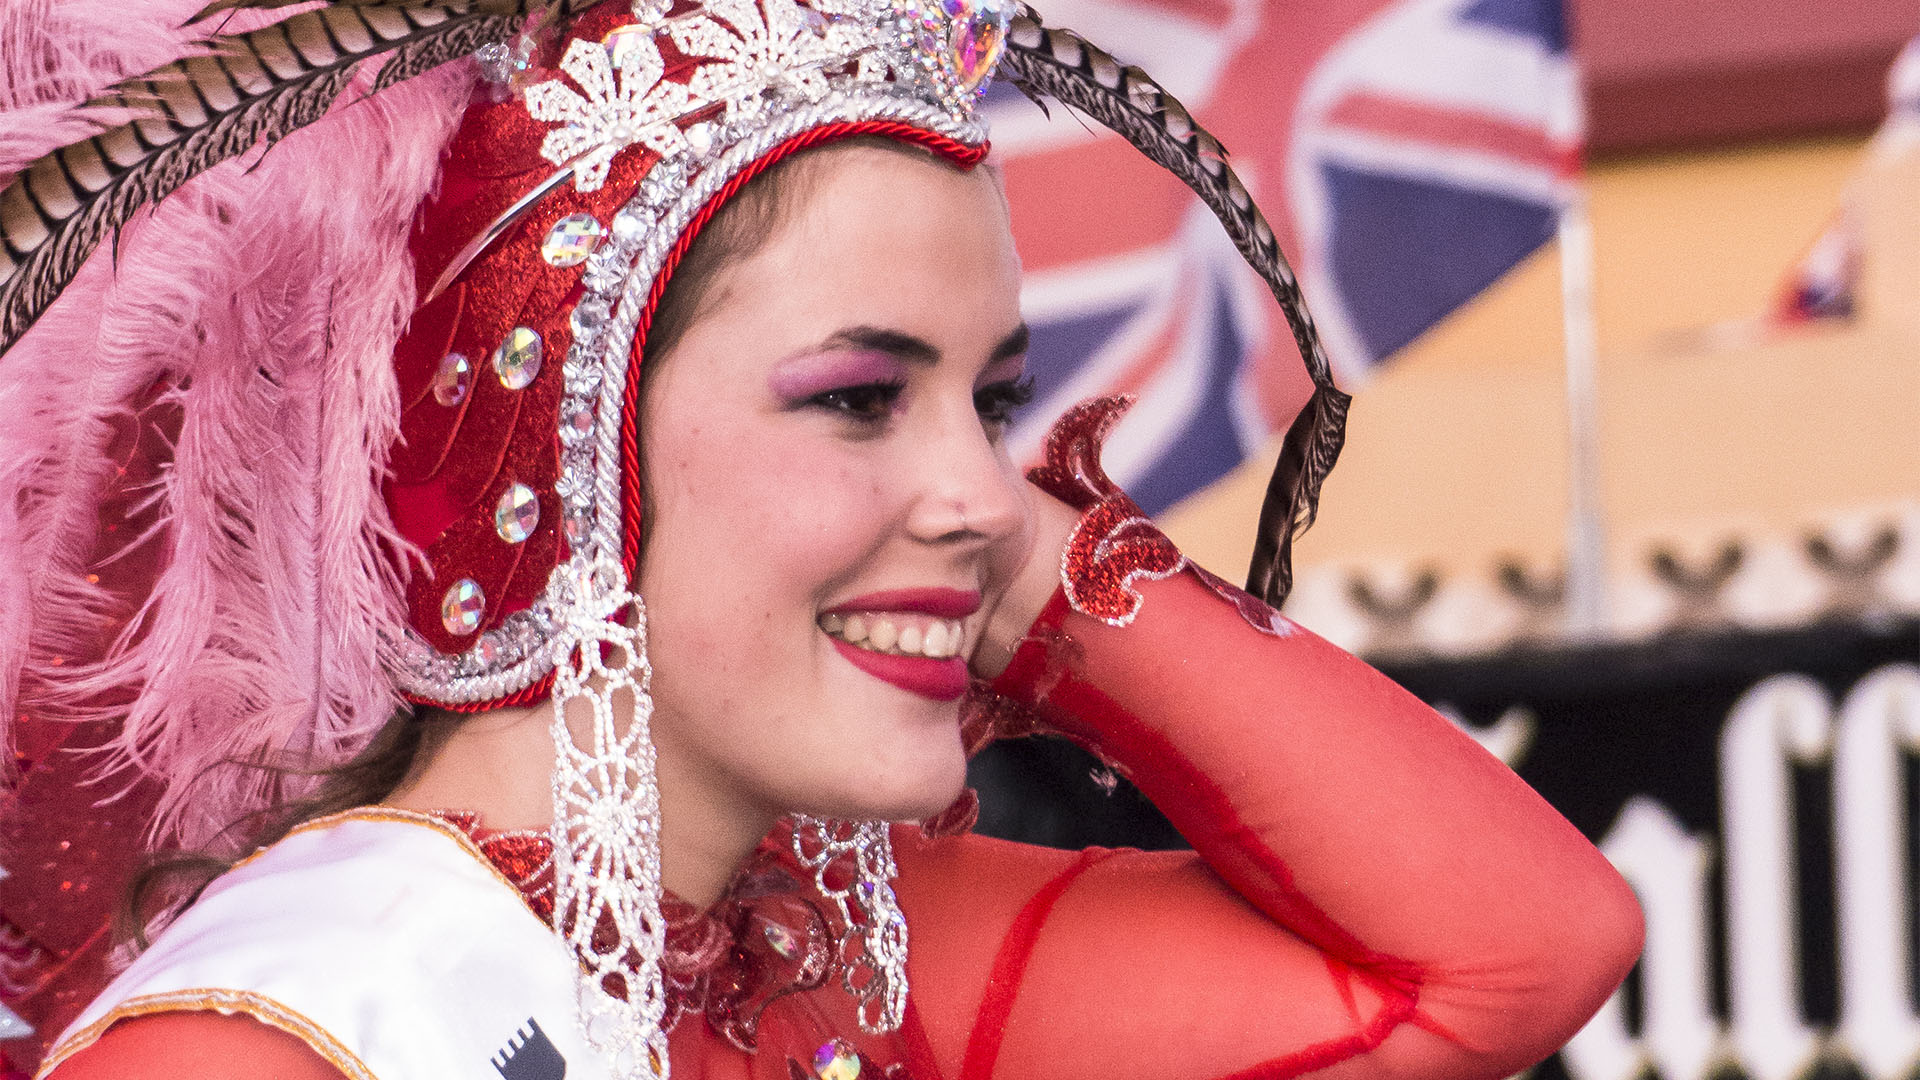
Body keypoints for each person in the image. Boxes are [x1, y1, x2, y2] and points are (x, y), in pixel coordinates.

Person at [0, 1, 1644, 1078]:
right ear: (558, 456)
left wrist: (1002, 561)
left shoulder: (851, 959)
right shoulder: (279, 1037)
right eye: (861, 398)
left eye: (990, 403)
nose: (988, 491)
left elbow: (1514, 952)